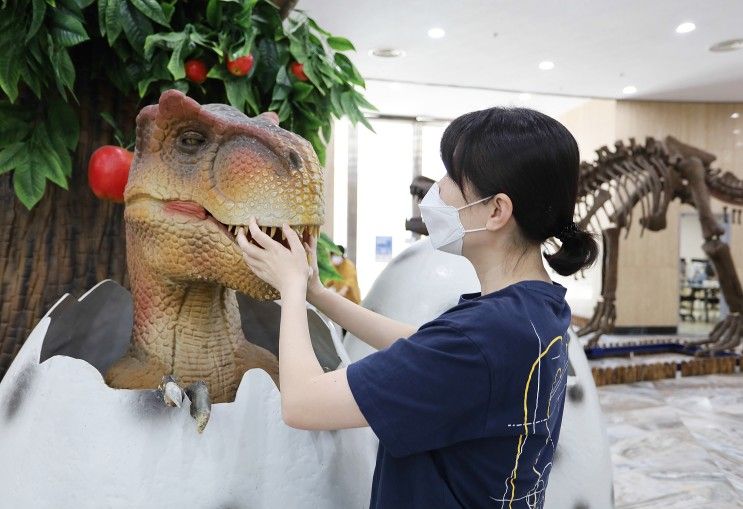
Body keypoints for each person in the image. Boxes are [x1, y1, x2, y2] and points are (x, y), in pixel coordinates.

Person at [236, 106, 599, 509]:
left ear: (497, 210)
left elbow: (303, 403)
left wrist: (287, 288)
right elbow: (423, 348)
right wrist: (315, 291)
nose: (437, 191)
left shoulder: (482, 337)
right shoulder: (533, 309)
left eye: (451, 179)